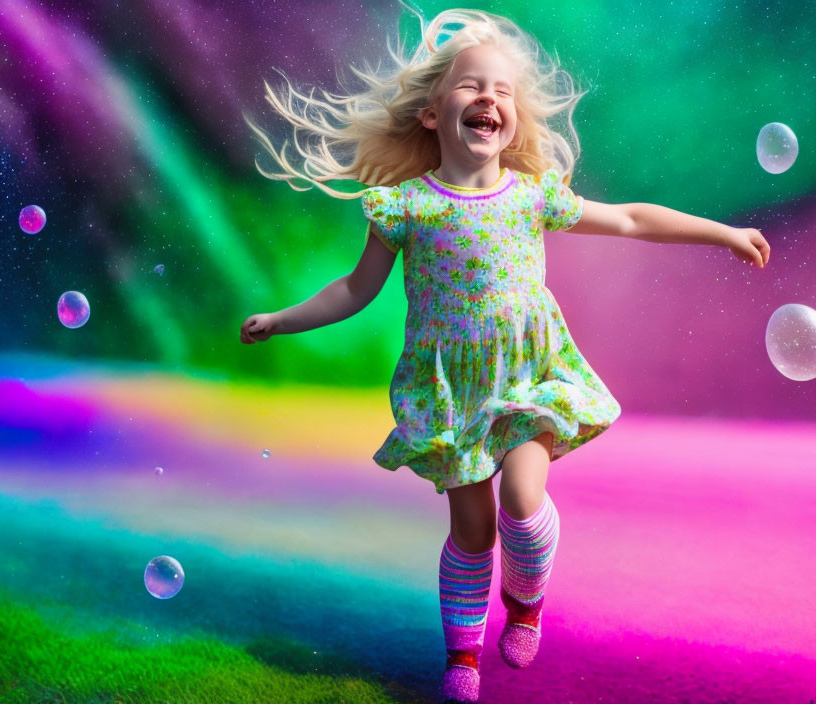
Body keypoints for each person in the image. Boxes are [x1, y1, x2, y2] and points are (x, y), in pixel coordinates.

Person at [240, 7, 770, 703]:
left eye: (504, 91)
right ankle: (463, 654)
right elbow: (355, 289)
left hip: (527, 374)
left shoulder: (531, 196)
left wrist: (722, 232)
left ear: (513, 120)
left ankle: (525, 604)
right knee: (473, 527)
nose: (490, 98)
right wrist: (283, 319)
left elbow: (633, 219)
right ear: (432, 114)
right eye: (471, 87)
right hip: (450, 388)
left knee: (523, 498)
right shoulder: (405, 207)